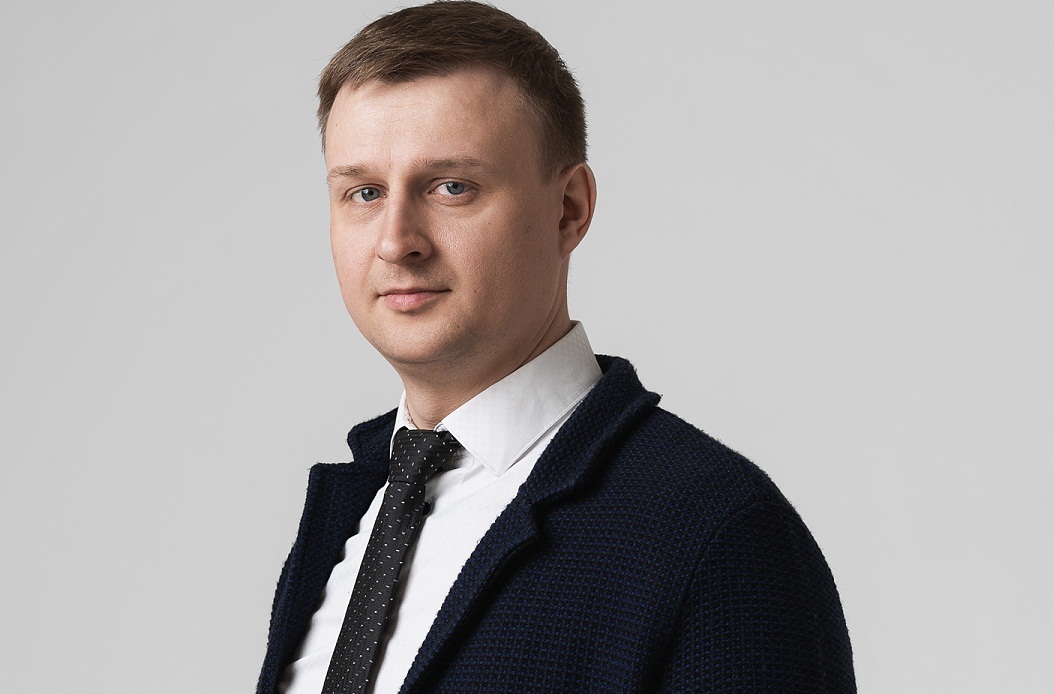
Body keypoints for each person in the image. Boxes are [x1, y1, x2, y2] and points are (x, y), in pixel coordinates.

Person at [258, 2, 855, 692]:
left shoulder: (715, 533)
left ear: (568, 209)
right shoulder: (354, 514)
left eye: (452, 187)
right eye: (363, 192)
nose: (397, 241)